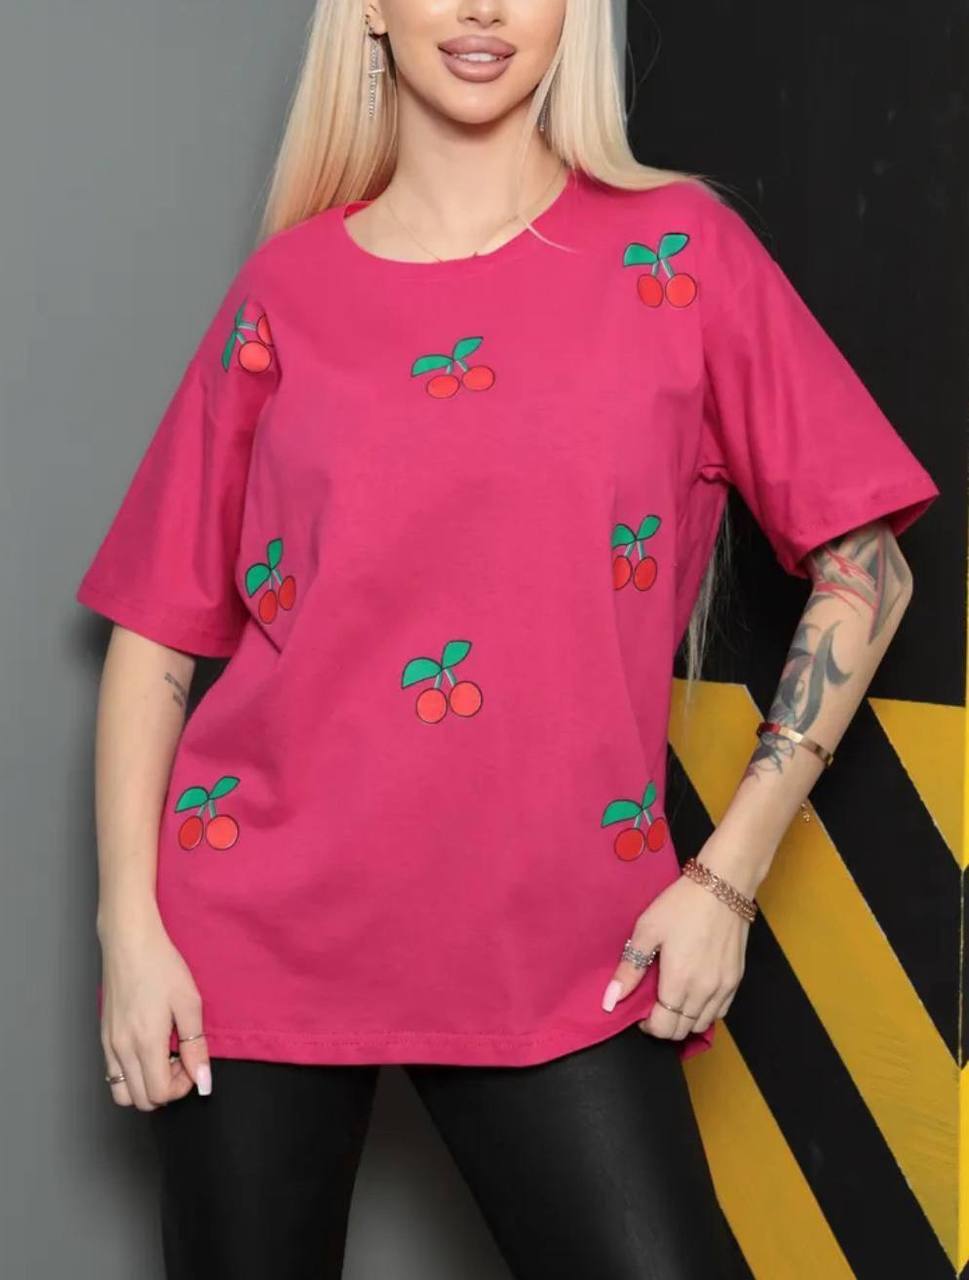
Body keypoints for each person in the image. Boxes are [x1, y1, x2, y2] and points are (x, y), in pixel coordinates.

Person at [74, 2, 941, 1277]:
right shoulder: (290, 289)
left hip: (565, 935)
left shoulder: (679, 251)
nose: (484, 8)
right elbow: (156, 629)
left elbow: (870, 567)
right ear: (372, 11)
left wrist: (726, 877)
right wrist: (130, 931)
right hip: (255, 938)